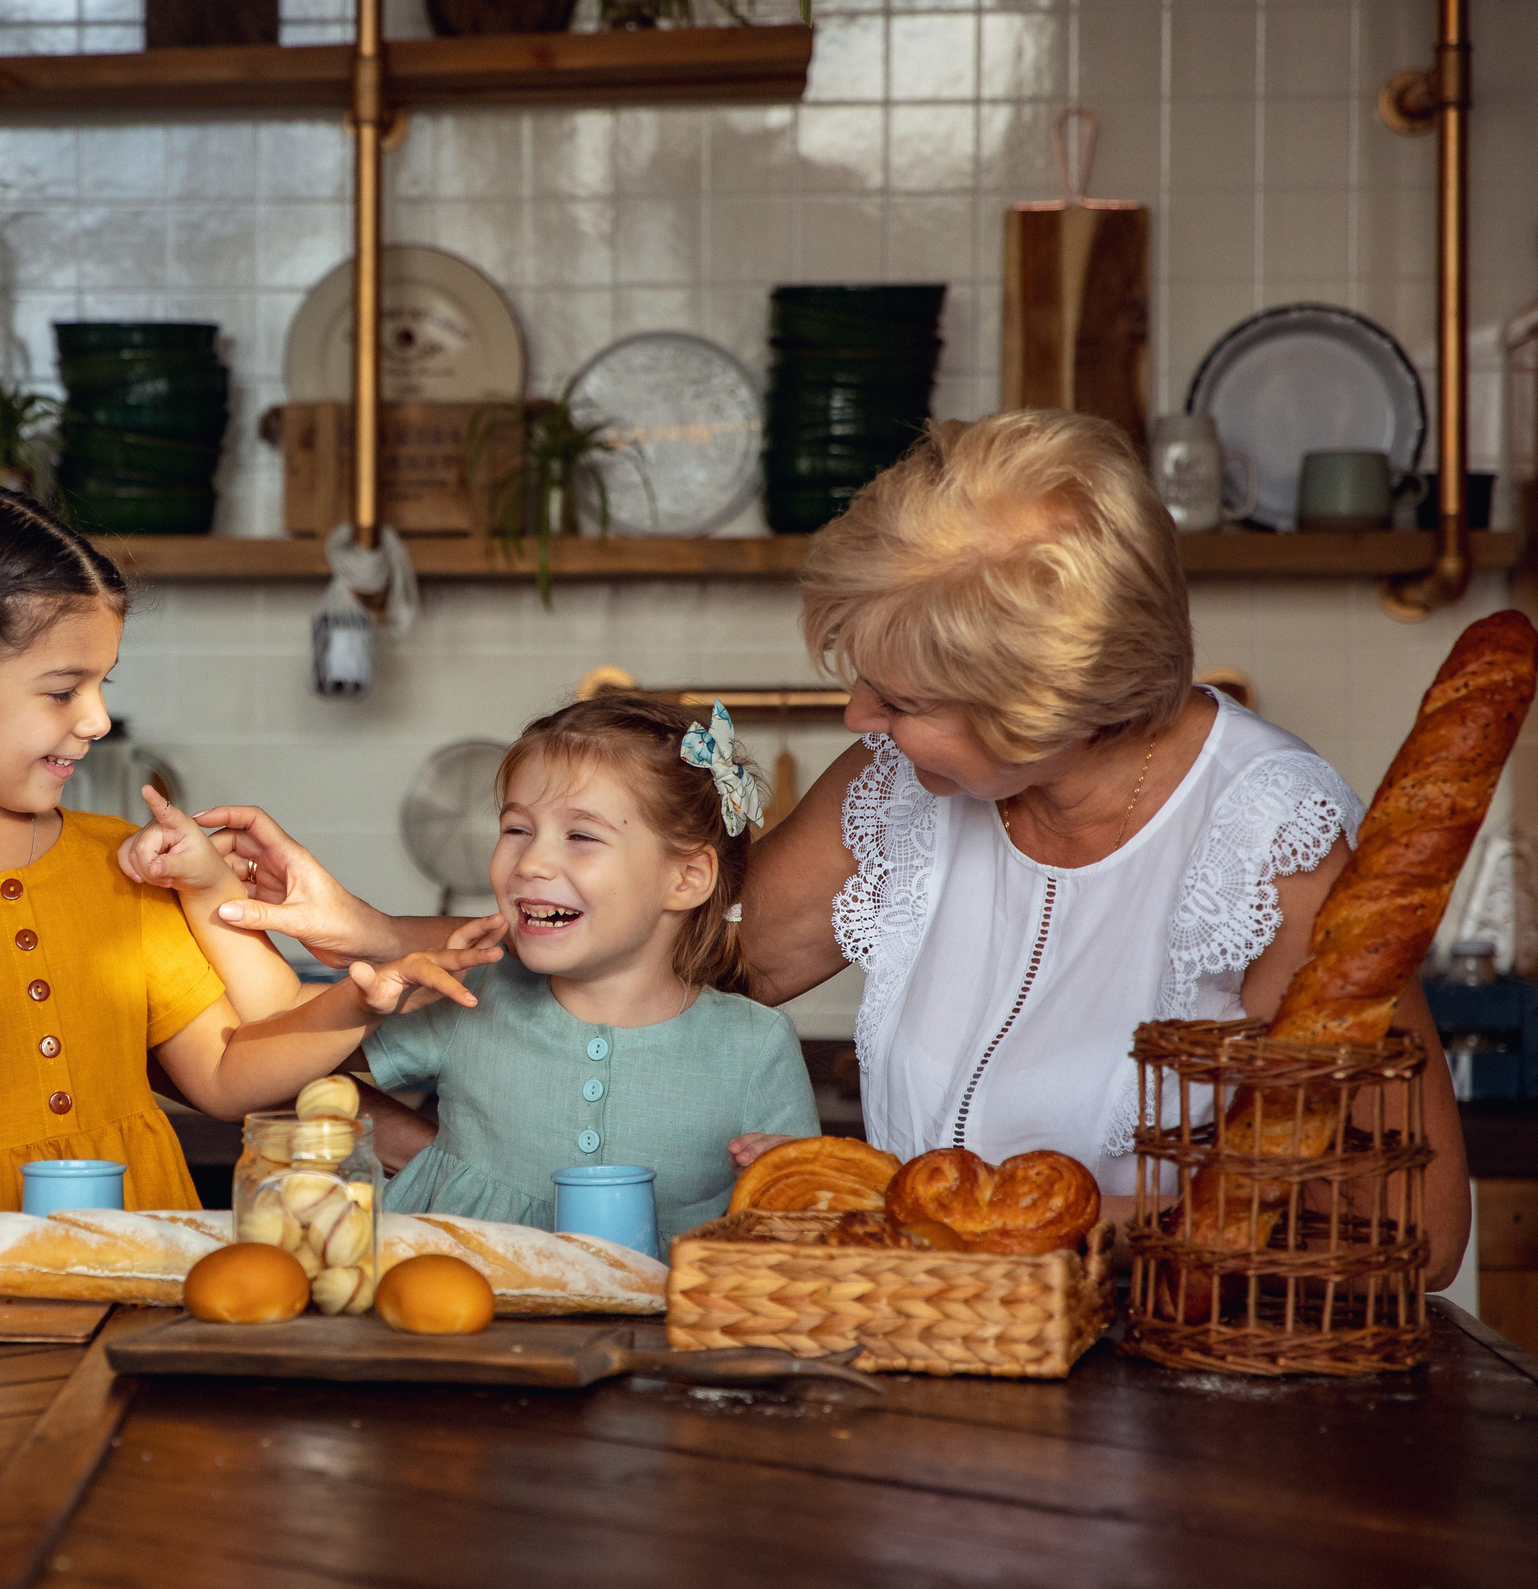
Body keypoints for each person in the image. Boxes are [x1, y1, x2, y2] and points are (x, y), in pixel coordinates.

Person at [131, 412, 1472, 1286]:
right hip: (906, 1368)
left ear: (1049, 709)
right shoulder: (897, 783)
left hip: (1162, 1422)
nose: (858, 720)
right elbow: (666, 953)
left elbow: (1414, 1230)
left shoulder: (1269, 838)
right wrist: (365, 930)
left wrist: (957, 1227)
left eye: (899, 698)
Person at [0, 484, 490, 1246]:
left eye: (101, 685)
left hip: (124, 1264)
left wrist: (360, 1001)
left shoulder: (117, 862)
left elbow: (227, 1076)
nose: (96, 719)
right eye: (64, 690)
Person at [133, 693, 818, 1239]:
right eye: (516, 828)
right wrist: (208, 887)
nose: (531, 861)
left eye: (581, 835)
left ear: (687, 877)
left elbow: (810, 1217)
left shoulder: (756, 1046)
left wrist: (787, 1184)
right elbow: (285, 1030)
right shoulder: (474, 995)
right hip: (453, 1348)